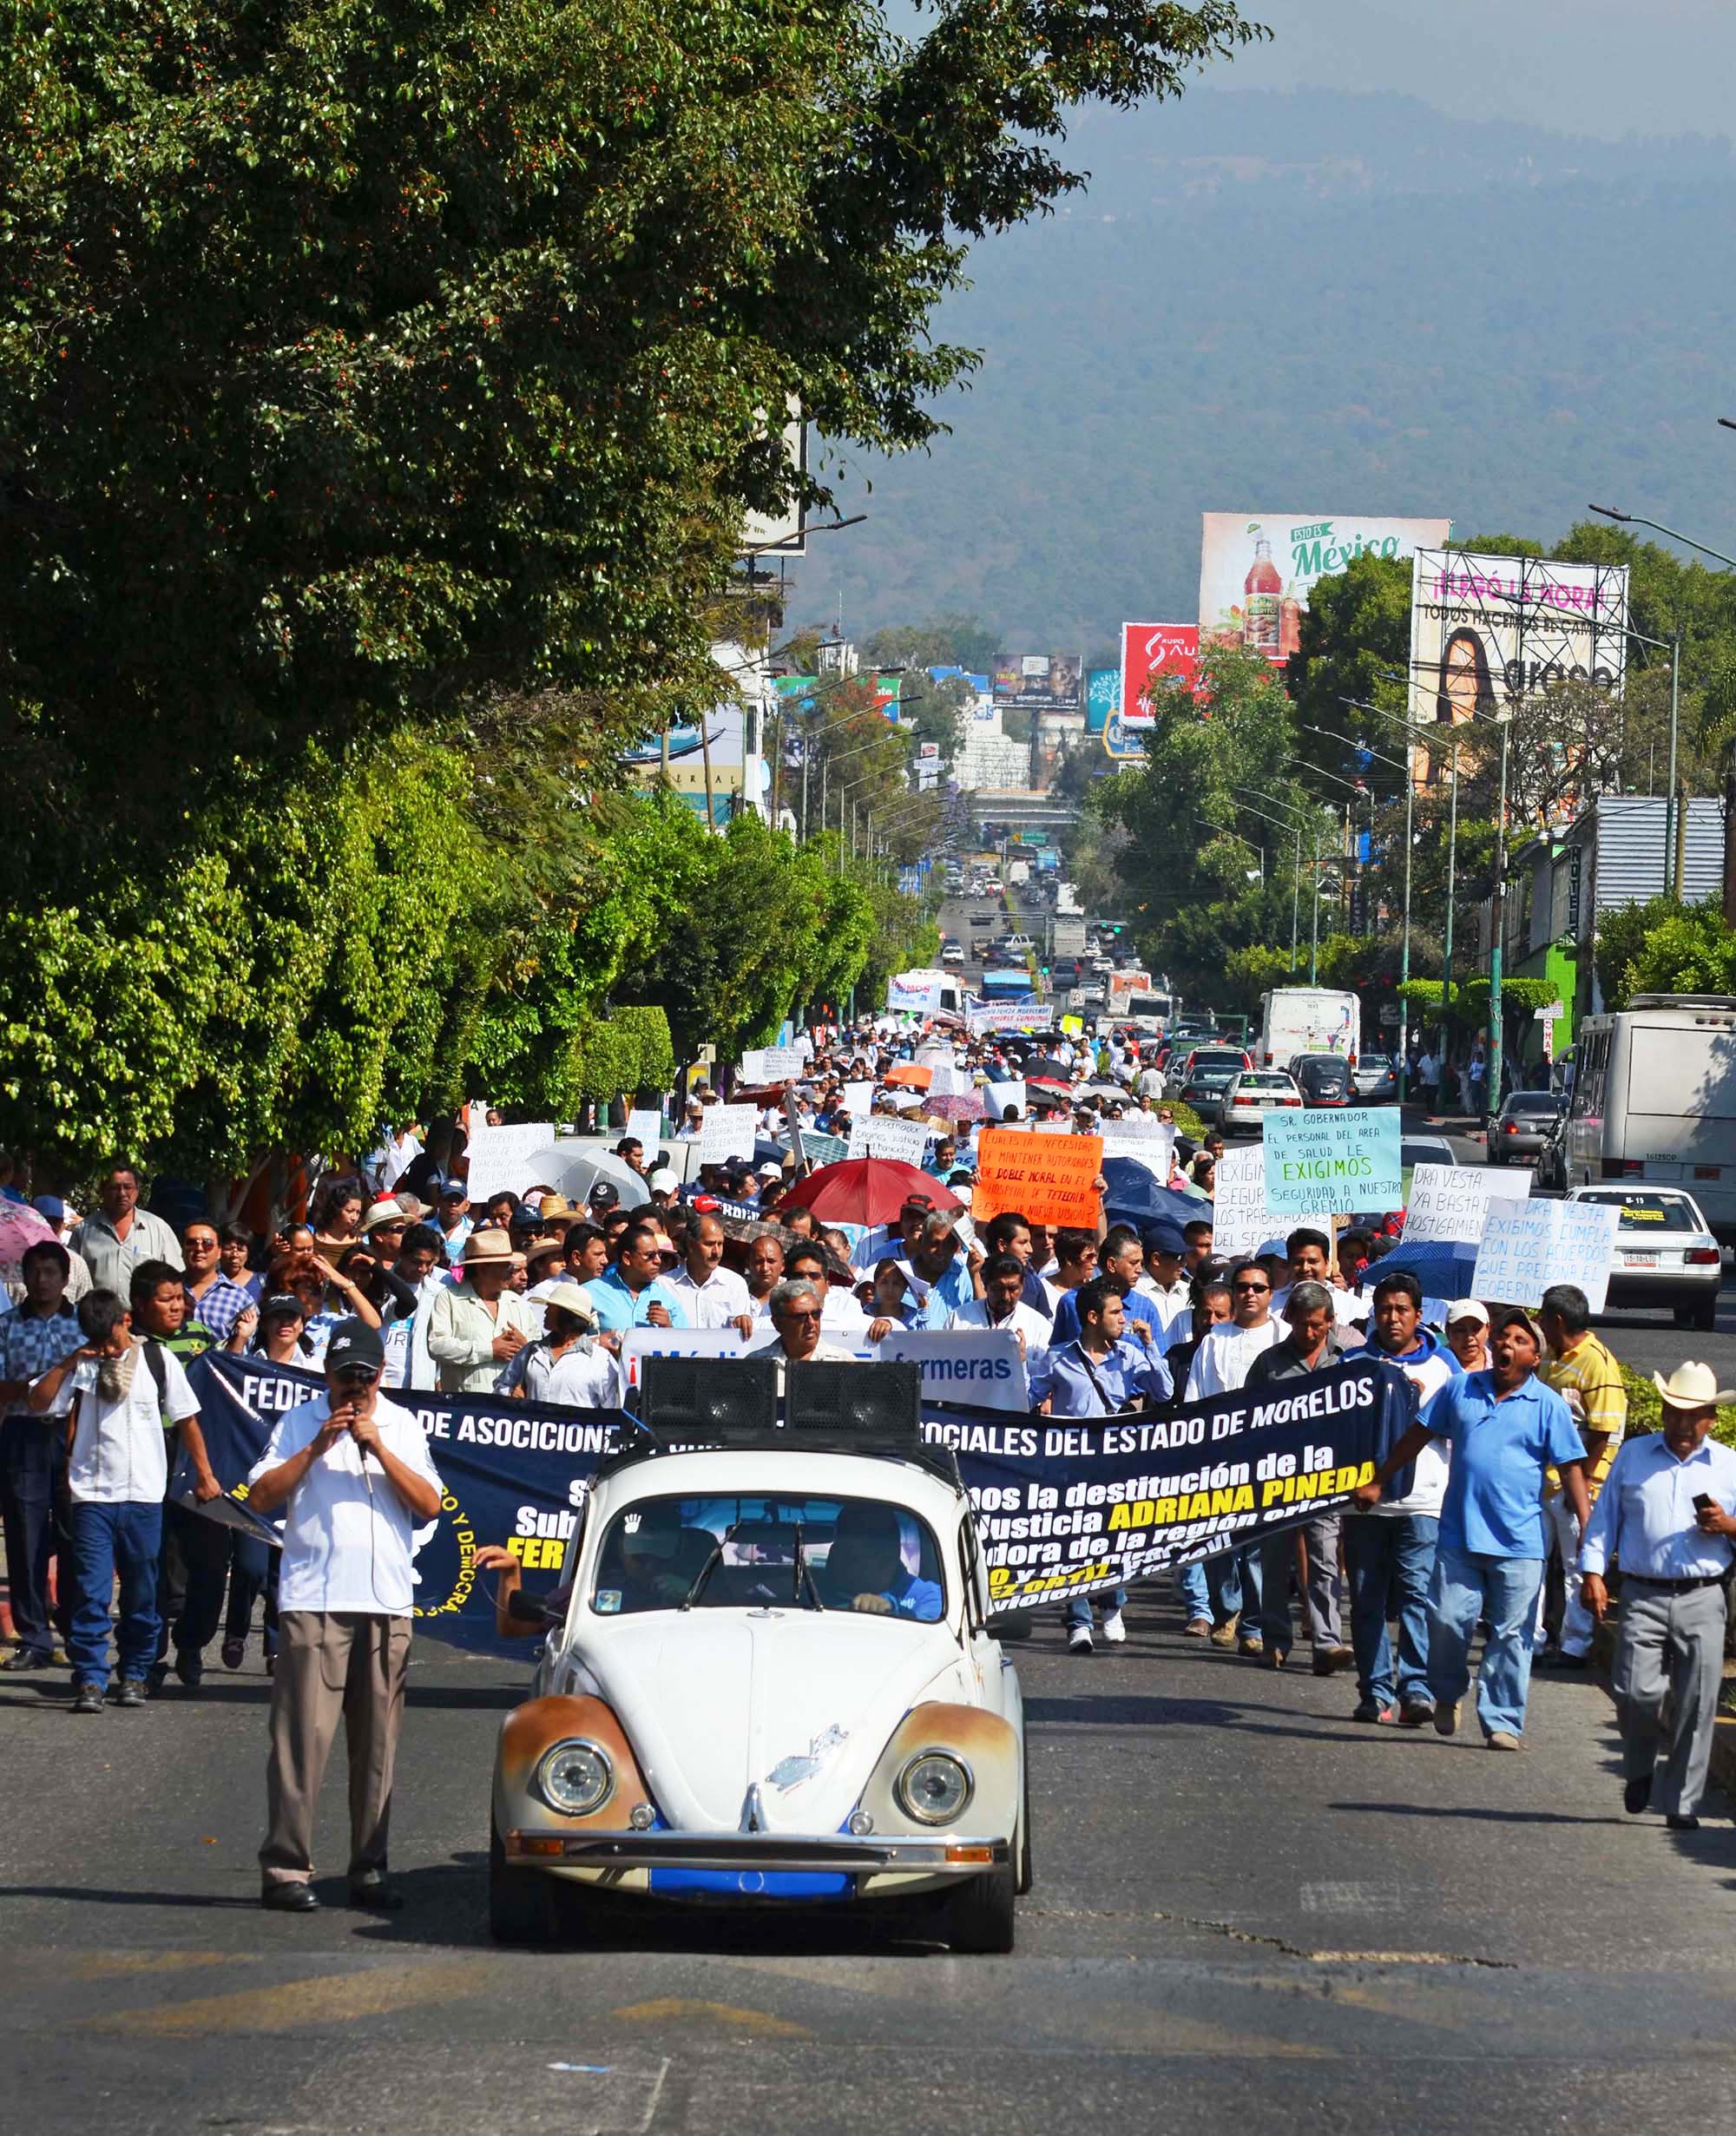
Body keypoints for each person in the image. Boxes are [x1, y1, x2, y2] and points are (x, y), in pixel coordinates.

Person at [246, 1318, 444, 1910]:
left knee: (378, 1744)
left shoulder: (403, 1425)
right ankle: (286, 1869)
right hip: (315, 1601)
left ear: (381, 1373)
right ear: (327, 1374)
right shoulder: (299, 1421)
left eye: (364, 1375)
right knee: (302, 1739)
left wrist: (378, 1446)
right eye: (343, 1375)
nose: (354, 1386)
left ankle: (369, 1866)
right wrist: (316, 1447)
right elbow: (260, 1496)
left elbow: (430, 1504)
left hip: (385, 1603)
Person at [1358, 1309, 1589, 1750]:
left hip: (1520, 1543)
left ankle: (1502, 1720)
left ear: (1535, 1357)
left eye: (1520, 1340)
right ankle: (1448, 1690)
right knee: (1446, 1620)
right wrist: (1380, 1479)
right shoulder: (1460, 1388)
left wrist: (1587, 1523)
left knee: (1511, 1634)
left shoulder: (1549, 1406)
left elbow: (1571, 1468)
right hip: (1459, 1535)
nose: (1507, 1345)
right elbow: (1416, 1435)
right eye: (1502, 1337)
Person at [29, 1286, 214, 1712]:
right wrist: (70, 1362)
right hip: (92, 1496)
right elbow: (39, 1403)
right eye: (97, 1341)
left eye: (111, 1339)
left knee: (143, 1593)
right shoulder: (82, 1364)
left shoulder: (158, 1361)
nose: (107, 1350)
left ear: (126, 1321)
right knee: (91, 1593)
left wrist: (205, 1475)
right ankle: (91, 1678)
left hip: (144, 1496)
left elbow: (188, 1420)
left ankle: (135, 1672)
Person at [1579, 1363, 1736, 1830]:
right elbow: (1605, 1518)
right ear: (1664, 1412)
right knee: (1634, 1692)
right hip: (1642, 1593)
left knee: (1697, 1702)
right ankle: (1640, 1767)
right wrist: (1592, 1572)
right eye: (1675, 1413)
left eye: (1695, 1416)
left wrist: (1727, 1525)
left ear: (1711, 1419)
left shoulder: (1728, 1465)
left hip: (1704, 1596)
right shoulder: (1634, 1455)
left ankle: (1682, 1803)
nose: (1683, 1425)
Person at [1340, 1272, 1459, 1725]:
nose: (1392, 1318)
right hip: (1364, 1505)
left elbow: (1462, 1427)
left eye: (1402, 1310)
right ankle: (1375, 1691)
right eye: (1385, 1309)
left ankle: (1416, 1689)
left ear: (1418, 1315)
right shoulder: (1353, 1362)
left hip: (1423, 1503)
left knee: (1417, 1597)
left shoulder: (1444, 1366)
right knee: (1366, 1599)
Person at [1031, 1277, 1171, 1656]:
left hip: (1115, 1462)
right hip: (1070, 1463)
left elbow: (1164, 1392)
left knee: (1114, 1535)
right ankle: (1079, 1621)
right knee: (1073, 1540)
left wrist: (1150, 1345)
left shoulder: (1129, 1355)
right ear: (1093, 1317)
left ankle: (1112, 1604)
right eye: (1115, 1312)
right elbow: (1027, 1398)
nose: (1123, 1318)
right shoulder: (1058, 1358)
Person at [1245, 1282, 1354, 1676]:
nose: (1309, 1332)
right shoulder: (1268, 1364)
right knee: (1275, 1563)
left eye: (1317, 1325)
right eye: (1303, 1324)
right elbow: (1247, 1418)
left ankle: (1327, 1643)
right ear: (1289, 1318)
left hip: (1327, 1477)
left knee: (1325, 1561)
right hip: (1279, 1478)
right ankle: (1275, 1641)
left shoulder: (1345, 1362)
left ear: (1330, 1322)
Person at [1186, 1260, 1284, 1653]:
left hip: (1269, 1456)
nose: (1249, 1294)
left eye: (1258, 1288)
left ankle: (1254, 1625)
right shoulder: (1215, 1339)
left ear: (1270, 1294)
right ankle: (1228, 1610)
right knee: (1218, 1541)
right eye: (1243, 1287)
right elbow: (1195, 1395)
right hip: (1219, 1455)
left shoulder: (1283, 1336)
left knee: (1258, 1545)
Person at [0, 1241, 83, 1669]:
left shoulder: (84, 1324)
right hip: (24, 1434)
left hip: (76, 1435)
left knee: (76, 1535)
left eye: (51, 1272)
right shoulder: (7, 1325)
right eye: (35, 1272)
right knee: (25, 1536)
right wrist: (36, 1385)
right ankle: (33, 1636)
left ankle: (74, 1627)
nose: (42, 1280)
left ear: (66, 1278)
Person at [1536, 1282, 1627, 1668]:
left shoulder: (1598, 1362)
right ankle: (1532, 1641)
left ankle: (1575, 1646)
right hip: (1545, 1480)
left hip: (1577, 1486)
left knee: (1577, 1566)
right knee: (1533, 1562)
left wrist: (1583, 1486)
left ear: (1557, 1320)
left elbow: (1604, 1430)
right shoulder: (1552, 1357)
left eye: (1542, 1317)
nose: (1538, 1323)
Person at [425, 1227, 537, 1394]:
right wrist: (489, 1350)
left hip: (510, 1407)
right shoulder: (449, 1298)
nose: (511, 1272)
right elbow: (437, 1345)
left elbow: (539, 1352)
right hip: (464, 1406)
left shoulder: (517, 1303)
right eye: (506, 1266)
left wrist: (526, 1346)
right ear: (483, 1268)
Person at [496, 1283, 625, 1406]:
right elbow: (501, 1386)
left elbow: (614, 1406)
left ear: (566, 1314)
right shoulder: (530, 1351)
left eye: (551, 1307)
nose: (546, 1312)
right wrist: (510, 1395)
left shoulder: (601, 1360)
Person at [69, 1161, 183, 1296]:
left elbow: (177, 1276)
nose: (122, 1193)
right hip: (97, 1309)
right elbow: (72, 1277)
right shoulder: (84, 1231)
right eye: (115, 1188)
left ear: (137, 1191)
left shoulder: (159, 1229)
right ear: (103, 1190)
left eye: (128, 1187)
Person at [819, 1503, 943, 1620]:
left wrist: (891, 1610)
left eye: (853, 1556)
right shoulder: (813, 1593)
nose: (838, 1557)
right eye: (840, 1548)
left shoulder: (928, 1596)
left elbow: (933, 1626)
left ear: (888, 1559)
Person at [583, 1222, 690, 1334]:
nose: (658, 1261)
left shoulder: (667, 1300)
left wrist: (668, 1327)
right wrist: (598, 1341)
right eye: (650, 1255)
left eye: (659, 1254)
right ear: (627, 1258)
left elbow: (685, 1341)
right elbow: (573, 1340)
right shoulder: (590, 1294)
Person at [948, 1252, 1050, 1365]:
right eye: (998, 1288)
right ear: (985, 1285)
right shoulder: (959, 1318)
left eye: (1012, 1289)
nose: (1006, 1296)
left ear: (1022, 1286)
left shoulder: (1038, 1325)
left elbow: (1046, 1371)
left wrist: (1023, 1362)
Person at [749, 1278, 862, 1379]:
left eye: (816, 1314)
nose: (811, 1323)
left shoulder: (844, 1362)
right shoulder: (755, 1366)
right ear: (777, 1323)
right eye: (801, 1317)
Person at [668, 1213, 754, 1336]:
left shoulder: (735, 1284)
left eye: (720, 1244)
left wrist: (743, 1321)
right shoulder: (665, 1285)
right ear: (690, 1245)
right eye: (709, 1244)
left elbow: (742, 1336)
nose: (716, 1252)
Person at [181, 1219, 256, 1345]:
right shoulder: (167, 1291)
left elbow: (247, 1350)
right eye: (191, 1243)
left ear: (219, 1251)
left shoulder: (240, 1299)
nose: (199, 1248)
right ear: (182, 1249)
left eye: (207, 1243)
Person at [1443, 1298, 1489, 1373]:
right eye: (1460, 1330)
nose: (1469, 1337)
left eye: (1476, 1329)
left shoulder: (1501, 1363)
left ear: (1488, 1329)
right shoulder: (1434, 1366)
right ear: (1447, 1331)